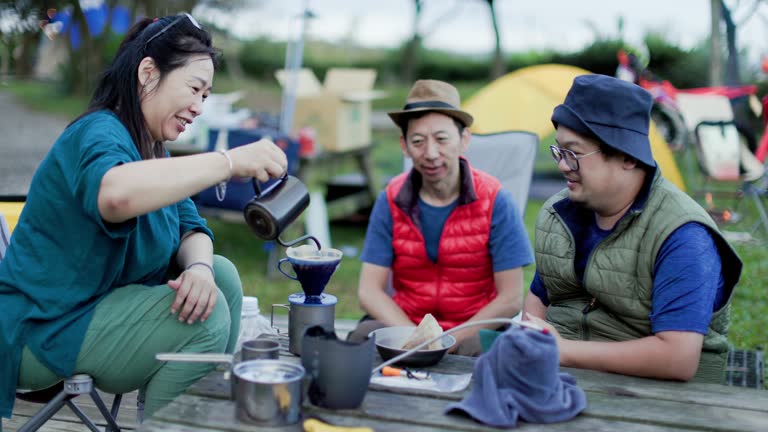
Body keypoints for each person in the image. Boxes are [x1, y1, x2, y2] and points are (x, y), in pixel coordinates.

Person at [0, 13, 287, 420]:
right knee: (204, 321)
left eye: (206, 96)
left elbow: (193, 228)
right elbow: (115, 195)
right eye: (194, 88)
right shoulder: (99, 132)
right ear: (148, 73)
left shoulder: (151, 148)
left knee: (220, 276)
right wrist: (228, 161)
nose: (199, 106)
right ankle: (174, 424)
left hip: (94, 307)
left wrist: (201, 269)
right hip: (43, 325)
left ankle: (196, 415)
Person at [523, 74, 742, 383]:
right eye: (559, 152)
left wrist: (564, 352)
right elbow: (538, 305)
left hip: (663, 397)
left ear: (626, 156)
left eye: (573, 154)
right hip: (563, 378)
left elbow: (677, 358)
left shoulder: (682, 235)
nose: (562, 166)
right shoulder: (559, 213)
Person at [346, 80, 534, 356]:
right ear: (404, 146)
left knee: (494, 357)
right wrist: (415, 338)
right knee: (357, 343)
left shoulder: (496, 200)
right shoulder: (391, 199)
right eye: (418, 142)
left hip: (472, 327)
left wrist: (449, 339)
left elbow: (510, 298)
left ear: (464, 139)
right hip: (407, 324)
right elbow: (369, 292)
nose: (430, 153)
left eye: (442, 139)